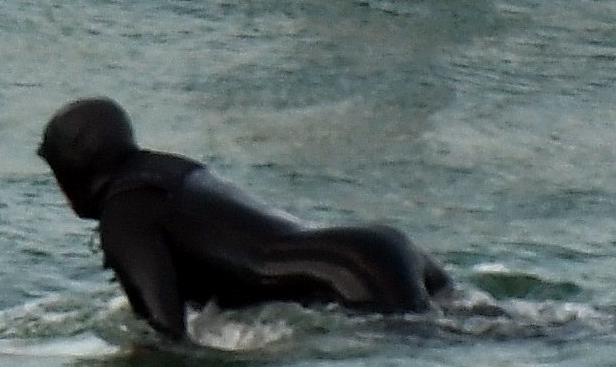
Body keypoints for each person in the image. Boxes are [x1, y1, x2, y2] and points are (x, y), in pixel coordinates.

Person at [38, 97, 450, 341]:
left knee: (449, 346)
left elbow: (164, 335)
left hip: (348, 278)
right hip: (377, 251)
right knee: (486, 333)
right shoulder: (170, 172)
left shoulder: (126, 213)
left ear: (74, 164)